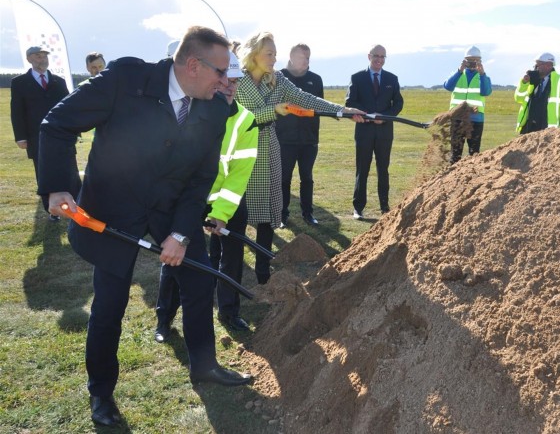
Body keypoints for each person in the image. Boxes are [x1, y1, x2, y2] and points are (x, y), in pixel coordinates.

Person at [38, 26, 252, 427]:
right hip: (113, 210)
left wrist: (181, 234)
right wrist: (56, 187)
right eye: (221, 72)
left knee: (200, 281)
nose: (228, 82)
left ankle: (204, 365)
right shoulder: (125, 80)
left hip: (172, 209)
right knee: (109, 305)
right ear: (193, 65)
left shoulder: (214, 106)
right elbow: (57, 124)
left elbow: (201, 177)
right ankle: (101, 393)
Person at [234, 31, 363, 284]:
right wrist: (273, 110)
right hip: (240, 151)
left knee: (266, 215)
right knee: (235, 215)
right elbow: (239, 118)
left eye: (275, 54)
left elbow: (304, 98)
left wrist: (341, 111)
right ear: (253, 54)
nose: (274, 58)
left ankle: (262, 272)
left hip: (268, 148)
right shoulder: (236, 81)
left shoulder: (277, 80)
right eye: (269, 54)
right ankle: (230, 270)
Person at [155, 49, 259, 336]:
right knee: (176, 257)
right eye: (223, 78)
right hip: (190, 201)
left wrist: (221, 215)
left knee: (231, 258)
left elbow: (239, 174)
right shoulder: (189, 111)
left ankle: (229, 312)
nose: (228, 86)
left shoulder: (245, 120)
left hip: (227, 201)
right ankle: (164, 319)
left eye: (234, 81)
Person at [10, 46, 74, 220]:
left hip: (61, 135)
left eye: (45, 56)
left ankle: (74, 204)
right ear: (29, 59)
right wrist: (21, 137)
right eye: (38, 56)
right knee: (44, 172)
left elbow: (69, 107)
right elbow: (17, 112)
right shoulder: (19, 82)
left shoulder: (59, 82)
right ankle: (52, 210)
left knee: (68, 169)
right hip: (36, 137)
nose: (43, 59)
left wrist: (73, 130)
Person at [346, 44, 404, 219]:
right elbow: (350, 102)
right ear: (369, 56)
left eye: (383, 56)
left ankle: (385, 207)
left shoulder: (392, 79)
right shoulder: (357, 78)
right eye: (376, 56)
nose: (379, 59)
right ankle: (358, 208)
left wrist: (385, 117)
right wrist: (369, 116)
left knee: (383, 169)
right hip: (364, 131)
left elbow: (398, 103)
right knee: (362, 169)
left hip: (385, 132)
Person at [276, 43, 323, 227]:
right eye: (303, 57)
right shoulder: (279, 77)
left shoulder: (316, 79)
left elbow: (320, 107)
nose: (306, 61)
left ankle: (308, 213)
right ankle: (281, 215)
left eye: (308, 57)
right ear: (292, 57)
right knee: (284, 178)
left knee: (307, 178)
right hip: (284, 139)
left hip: (308, 140)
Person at [443, 45, 492, 163]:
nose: (473, 64)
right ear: (465, 61)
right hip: (457, 117)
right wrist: (459, 70)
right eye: (470, 61)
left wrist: (482, 74)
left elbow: (486, 91)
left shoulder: (483, 77)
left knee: (474, 152)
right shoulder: (459, 75)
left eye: (476, 61)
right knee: (455, 152)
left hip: (476, 119)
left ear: (480, 61)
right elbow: (448, 86)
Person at [515, 52, 560, 134]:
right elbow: (519, 98)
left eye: (539, 64)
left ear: (548, 65)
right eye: (536, 65)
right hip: (529, 128)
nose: (536, 67)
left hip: (550, 131)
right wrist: (524, 83)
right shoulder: (532, 81)